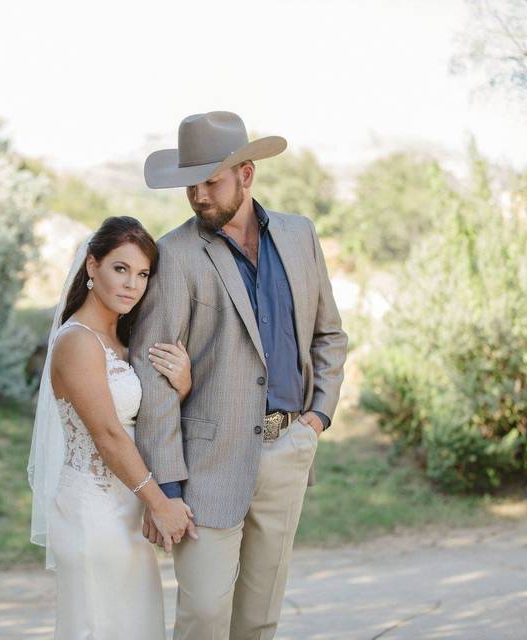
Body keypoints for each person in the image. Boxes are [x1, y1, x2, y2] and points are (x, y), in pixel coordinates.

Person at [133, 110, 348, 639]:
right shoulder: (176, 254)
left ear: (246, 175)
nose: (199, 195)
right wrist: (168, 486)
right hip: (205, 465)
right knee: (204, 612)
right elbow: (153, 372)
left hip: (288, 451)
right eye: (192, 184)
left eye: (212, 181)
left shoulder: (300, 236)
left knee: (259, 617)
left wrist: (317, 418)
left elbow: (329, 336)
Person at [27, 216, 197, 639]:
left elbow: (138, 419)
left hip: (128, 507)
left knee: (135, 626)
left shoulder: (124, 342)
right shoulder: (77, 342)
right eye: (120, 269)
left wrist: (182, 386)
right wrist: (161, 503)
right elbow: (107, 435)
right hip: (93, 511)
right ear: (91, 266)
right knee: (99, 627)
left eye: (142, 274)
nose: (132, 285)